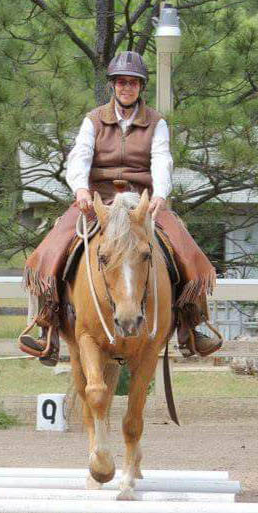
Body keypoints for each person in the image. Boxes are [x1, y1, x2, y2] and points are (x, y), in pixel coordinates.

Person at [19, 51, 223, 366]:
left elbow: (162, 159)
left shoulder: (156, 122)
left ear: (141, 87)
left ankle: (191, 325)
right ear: (113, 85)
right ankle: (47, 327)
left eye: (132, 82)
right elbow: (80, 156)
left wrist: (160, 194)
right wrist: (81, 189)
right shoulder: (94, 119)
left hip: (142, 201)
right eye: (121, 82)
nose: (126, 87)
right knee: (50, 250)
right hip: (99, 199)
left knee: (188, 252)